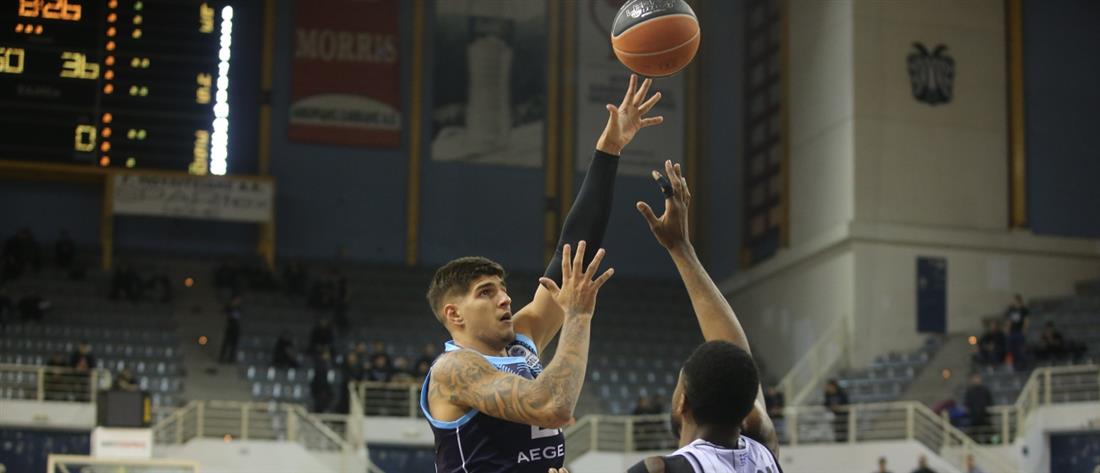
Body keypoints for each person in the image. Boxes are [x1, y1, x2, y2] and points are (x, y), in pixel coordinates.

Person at [419, 75, 661, 473]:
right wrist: (578, 317)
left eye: (501, 289)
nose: (505, 298)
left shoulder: (522, 337)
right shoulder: (454, 370)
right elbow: (553, 407)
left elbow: (572, 248)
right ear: (453, 314)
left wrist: (610, 148)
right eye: (485, 293)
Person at [627, 160, 779, 472]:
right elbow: (735, 357)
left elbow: (737, 359)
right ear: (747, 411)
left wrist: (680, 248)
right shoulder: (764, 455)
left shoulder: (659, 469)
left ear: (682, 402)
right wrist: (681, 249)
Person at [964, 373, 993, 443]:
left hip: (984, 416)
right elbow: (966, 403)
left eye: (978, 378)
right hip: (974, 417)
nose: (976, 380)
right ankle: (974, 442)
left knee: (988, 432)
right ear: (972, 380)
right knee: (973, 434)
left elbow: (990, 402)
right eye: (975, 378)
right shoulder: (969, 391)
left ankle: (989, 441)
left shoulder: (985, 390)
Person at [1003, 294, 1029, 368]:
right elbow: (1009, 320)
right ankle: (1013, 365)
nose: (1014, 303)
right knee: (1011, 349)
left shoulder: (1024, 310)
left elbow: (1026, 320)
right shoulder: (1011, 310)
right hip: (1012, 332)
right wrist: (1007, 329)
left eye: (1015, 301)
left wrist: (1024, 330)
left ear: (1019, 301)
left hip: (1019, 332)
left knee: (1020, 349)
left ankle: (1022, 365)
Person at [218, 296, 242, 364]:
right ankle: (222, 357)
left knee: (234, 344)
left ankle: (231, 358)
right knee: (226, 343)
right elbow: (223, 312)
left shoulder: (239, 308)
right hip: (230, 327)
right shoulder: (229, 307)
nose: (237, 301)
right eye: (236, 300)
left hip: (236, 328)